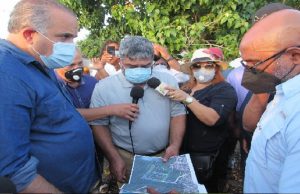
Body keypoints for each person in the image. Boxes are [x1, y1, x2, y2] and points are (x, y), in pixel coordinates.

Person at [0, 0, 99, 193]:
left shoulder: (38, 63)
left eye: (73, 37)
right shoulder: (6, 75)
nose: (72, 46)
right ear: (30, 35)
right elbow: (13, 168)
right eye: (65, 37)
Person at [89, 36, 186, 183]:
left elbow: (178, 114)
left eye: (145, 66)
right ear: (121, 62)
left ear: (152, 61)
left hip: (164, 155)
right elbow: (98, 124)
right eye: (132, 66)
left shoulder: (168, 81)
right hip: (125, 157)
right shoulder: (103, 87)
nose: (139, 70)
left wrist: (175, 145)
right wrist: (113, 158)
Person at [239, 9, 300, 192]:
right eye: (245, 64)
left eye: (254, 63)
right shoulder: (283, 91)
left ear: (294, 56)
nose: (249, 71)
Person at [166, 48, 237, 192]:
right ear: (192, 69)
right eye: (197, 66)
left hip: (208, 158)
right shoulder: (185, 88)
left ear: (216, 68)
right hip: (181, 152)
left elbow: (212, 119)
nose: (202, 69)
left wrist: (187, 99)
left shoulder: (224, 90)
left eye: (208, 65)